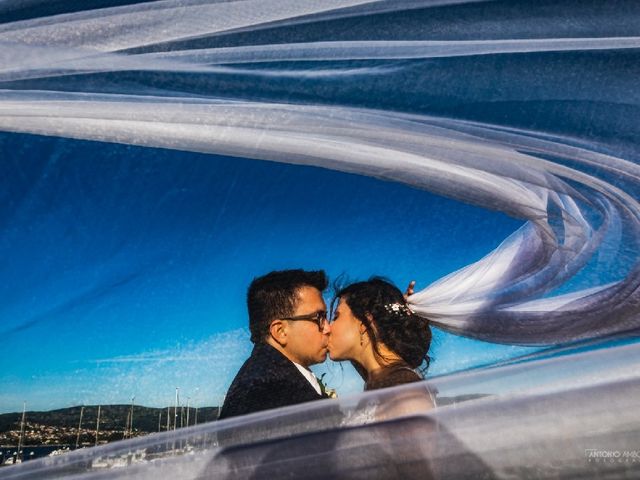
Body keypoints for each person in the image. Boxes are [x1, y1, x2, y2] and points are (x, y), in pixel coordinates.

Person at [219, 269, 331, 419]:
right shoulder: (270, 394)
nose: (328, 328)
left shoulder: (264, 378)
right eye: (319, 318)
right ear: (280, 331)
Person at [328, 277, 434, 400]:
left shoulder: (401, 387)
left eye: (336, 317)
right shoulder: (381, 380)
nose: (328, 326)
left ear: (364, 323)